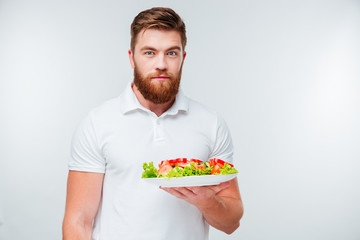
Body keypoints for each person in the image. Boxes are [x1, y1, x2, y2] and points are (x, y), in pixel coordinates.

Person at [62, 7, 244, 240]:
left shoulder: (211, 123)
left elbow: (231, 223)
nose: (161, 64)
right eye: (149, 53)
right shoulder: (97, 123)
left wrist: (206, 201)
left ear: (182, 58)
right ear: (132, 58)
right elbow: (78, 222)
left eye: (171, 53)